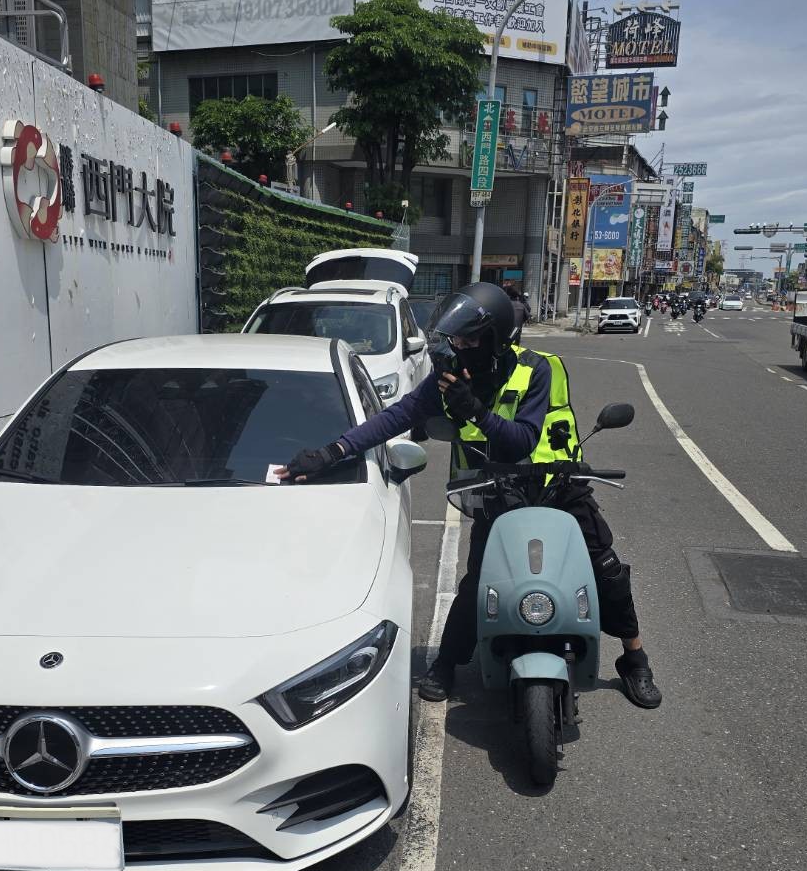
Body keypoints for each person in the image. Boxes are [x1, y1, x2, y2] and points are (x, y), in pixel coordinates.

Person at [277, 282, 662, 710]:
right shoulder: (448, 376)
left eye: (470, 338)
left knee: (606, 568)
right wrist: (333, 451)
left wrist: (474, 410)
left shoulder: (536, 370)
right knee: (480, 580)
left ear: (497, 337)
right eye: (456, 338)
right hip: (499, 493)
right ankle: (447, 663)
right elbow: (399, 415)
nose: (460, 346)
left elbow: (520, 440)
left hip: (558, 484)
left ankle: (634, 657)